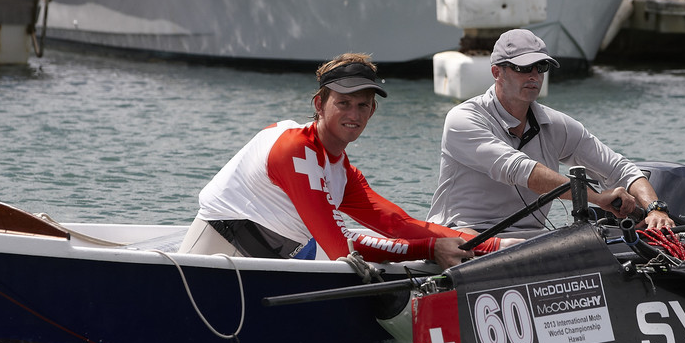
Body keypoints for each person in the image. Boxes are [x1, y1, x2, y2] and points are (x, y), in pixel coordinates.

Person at [182, 53, 497, 268]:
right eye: (343, 103)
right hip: (210, 261)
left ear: (372, 111)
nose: (354, 115)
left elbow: (399, 225)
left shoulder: (341, 173)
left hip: (263, 267)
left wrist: (494, 246)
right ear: (319, 104)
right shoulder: (294, 149)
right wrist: (428, 250)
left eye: (363, 105)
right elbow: (338, 248)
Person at [428, 29, 679, 234]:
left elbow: (619, 168)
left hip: (532, 241)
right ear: (497, 72)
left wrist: (655, 209)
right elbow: (520, 170)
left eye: (540, 67)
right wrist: (597, 198)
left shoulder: (556, 124)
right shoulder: (463, 119)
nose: (534, 76)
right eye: (523, 68)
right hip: (464, 236)